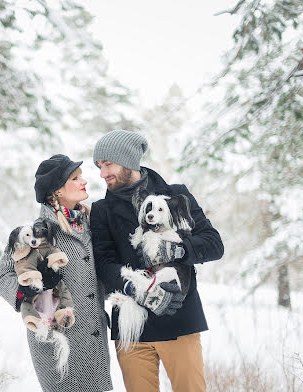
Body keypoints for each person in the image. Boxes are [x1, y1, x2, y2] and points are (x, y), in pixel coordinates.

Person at [90, 130, 224, 392]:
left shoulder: (176, 196)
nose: (102, 173)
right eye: (99, 166)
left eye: (108, 164)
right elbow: (104, 264)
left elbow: (213, 244)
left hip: (179, 320)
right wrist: (135, 287)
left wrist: (177, 251)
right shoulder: (102, 211)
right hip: (132, 328)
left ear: (128, 160)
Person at [0, 154, 113, 392]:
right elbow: (4, 278)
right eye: (75, 178)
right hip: (56, 341)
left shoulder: (92, 224)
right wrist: (27, 289)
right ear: (57, 190)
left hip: (92, 337)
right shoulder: (33, 233)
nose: (84, 182)